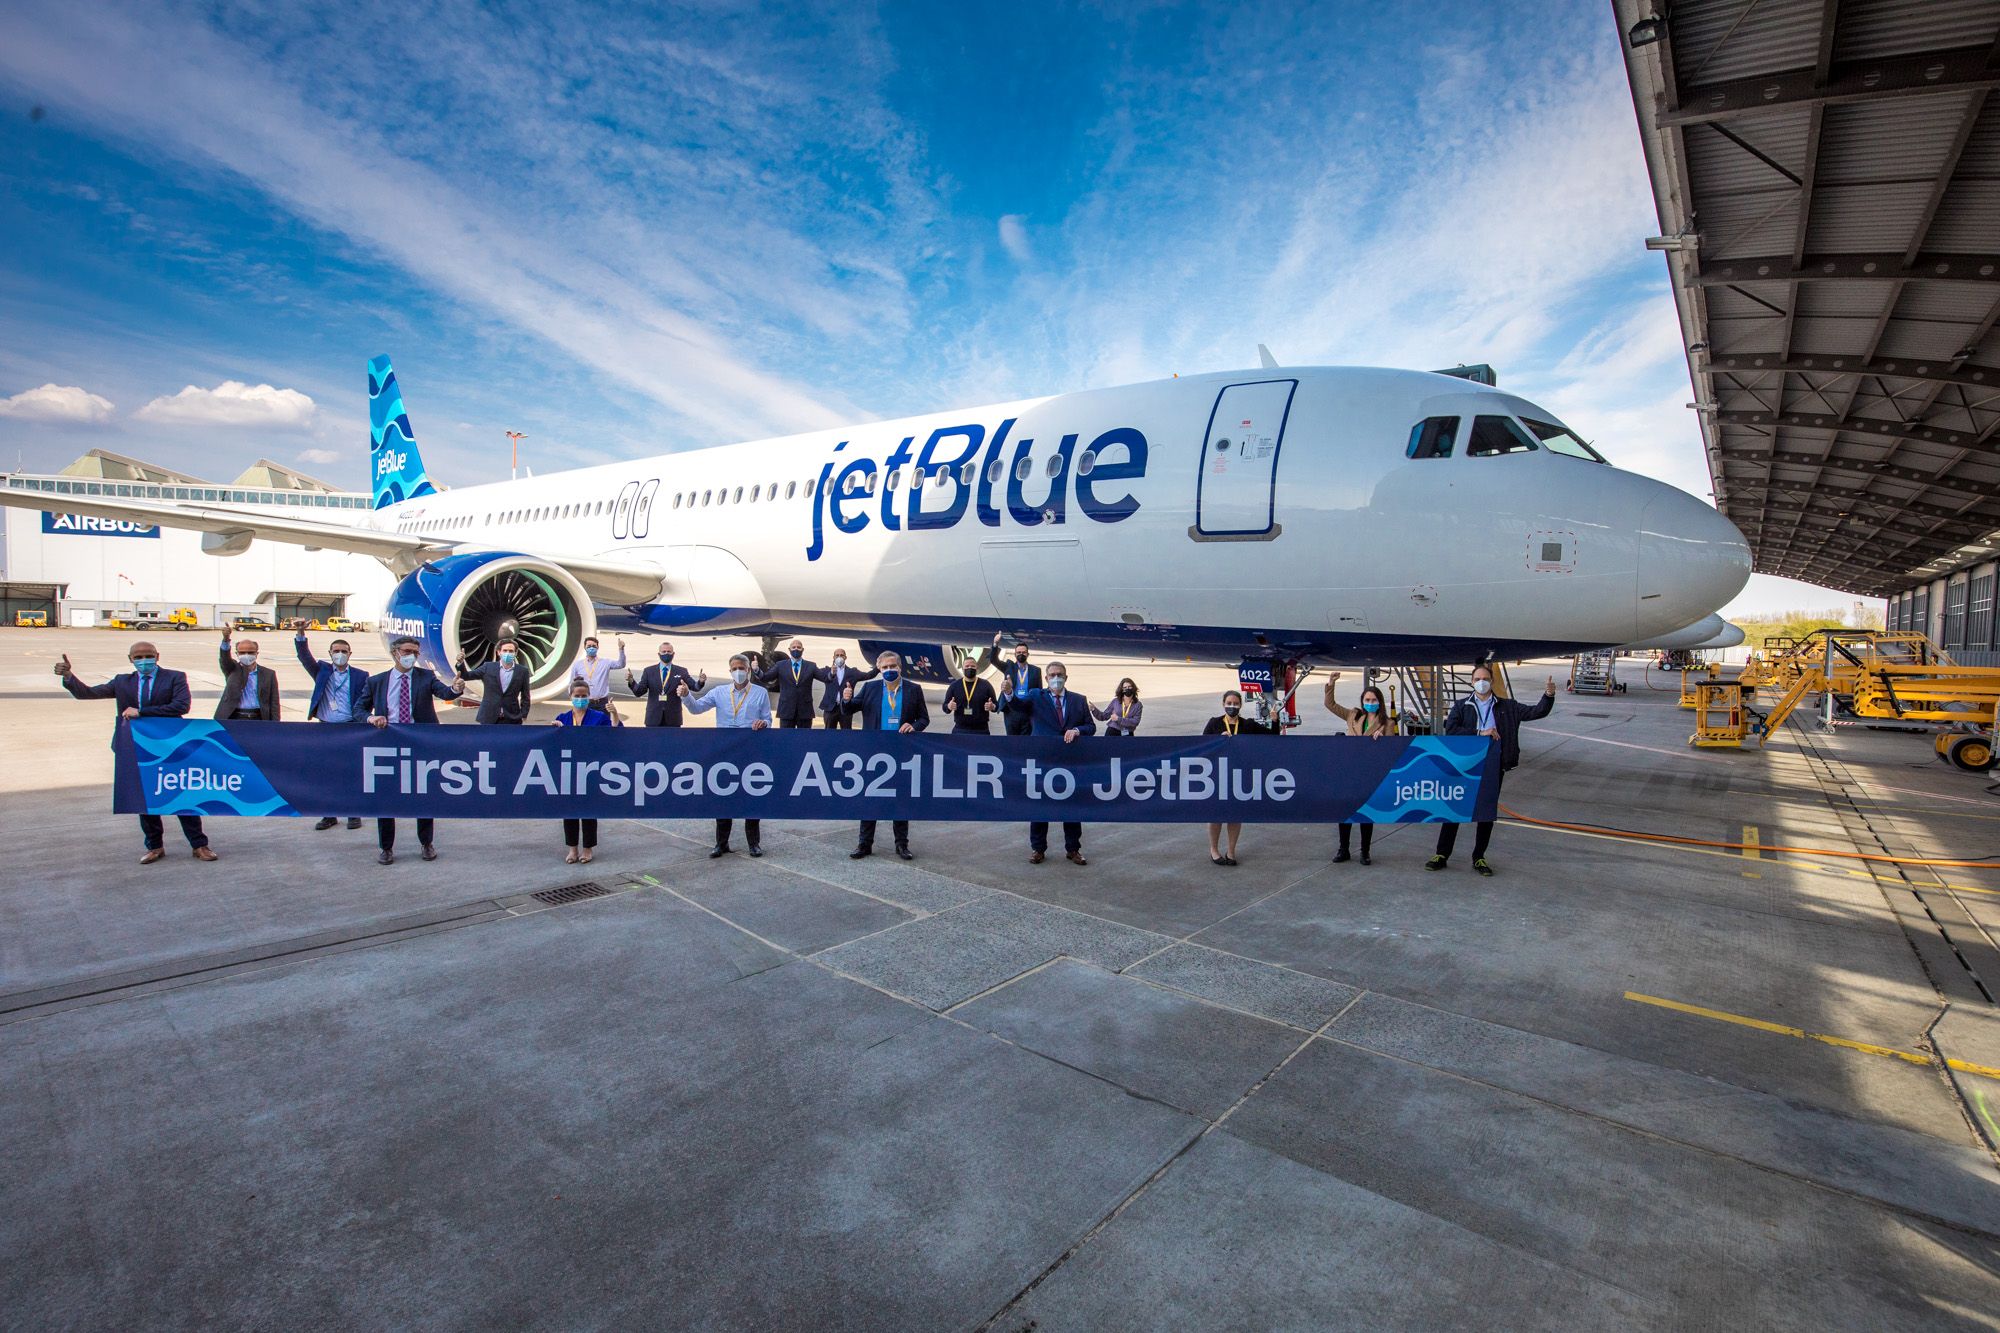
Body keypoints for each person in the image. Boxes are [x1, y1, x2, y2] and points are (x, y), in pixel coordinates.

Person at [58, 643, 217, 864]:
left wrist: (141, 713)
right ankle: (154, 847)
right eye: (139, 657)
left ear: (157, 656)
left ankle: (199, 844)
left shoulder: (175, 677)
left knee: (183, 795)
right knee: (145, 799)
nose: (144, 660)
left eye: (149, 656)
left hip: (170, 747)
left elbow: (181, 706)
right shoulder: (122, 681)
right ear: (131, 659)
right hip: (136, 747)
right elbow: (88, 693)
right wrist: (68, 676)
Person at [1427, 665, 1556, 876]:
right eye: (1477, 678)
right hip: (1466, 765)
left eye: (1485, 678)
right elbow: (1452, 730)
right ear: (1471, 682)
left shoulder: (1508, 706)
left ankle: (1479, 856)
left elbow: (1536, 711)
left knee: (1486, 812)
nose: (1481, 682)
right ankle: (1442, 853)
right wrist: (1480, 732)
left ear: (1492, 680)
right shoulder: (1461, 706)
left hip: (1492, 766)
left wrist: (1548, 695)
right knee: (1454, 808)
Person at [364, 637, 464, 865]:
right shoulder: (377, 682)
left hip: (420, 746)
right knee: (387, 798)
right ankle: (386, 847)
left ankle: (426, 843)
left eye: (415, 653)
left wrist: (456, 689)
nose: (412, 656)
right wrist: (372, 717)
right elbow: (360, 708)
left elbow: (445, 693)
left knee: (423, 796)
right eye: (408, 651)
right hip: (389, 746)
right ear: (395, 652)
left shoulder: (425, 677)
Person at [1001, 660, 1095, 864]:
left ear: (1066, 677)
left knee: (1071, 807)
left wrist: (1077, 730)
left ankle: (1073, 849)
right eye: (1052, 675)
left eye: (1060, 674)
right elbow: (1018, 706)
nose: (1056, 678)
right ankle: (1038, 849)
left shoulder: (1079, 700)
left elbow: (1091, 726)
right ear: (1046, 678)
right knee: (1040, 806)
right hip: (1043, 761)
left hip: (1069, 762)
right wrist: (1009, 693)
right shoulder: (1036, 696)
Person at [682, 654, 773, 857]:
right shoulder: (720, 692)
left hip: (749, 751)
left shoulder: (760, 693)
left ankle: (754, 844)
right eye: (734, 668)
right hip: (725, 752)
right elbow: (696, 708)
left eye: (742, 668)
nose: (738, 671)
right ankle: (721, 843)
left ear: (749, 670)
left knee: (751, 796)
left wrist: (763, 723)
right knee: (723, 796)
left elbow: (768, 719)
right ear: (729, 671)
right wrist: (687, 695)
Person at [841, 650, 928, 859]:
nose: (889, 670)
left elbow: (924, 718)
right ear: (879, 669)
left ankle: (901, 844)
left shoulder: (914, 689)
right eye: (885, 668)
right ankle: (864, 844)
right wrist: (846, 699)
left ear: (900, 667)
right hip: (874, 752)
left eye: (893, 667)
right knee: (870, 799)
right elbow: (848, 710)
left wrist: (913, 726)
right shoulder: (870, 688)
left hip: (901, 752)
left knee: (900, 800)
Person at [296, 630, 370, 830]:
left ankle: (353, 814)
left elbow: (366, 701)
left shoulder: (361, 676)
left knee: (352, 772)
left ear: (350, 653)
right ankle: (329, 814)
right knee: (327, 773)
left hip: (350, 728)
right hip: (326, 729)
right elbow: (304, 657)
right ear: (330, 653)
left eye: (343, 651)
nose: (340, 654)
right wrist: (300, 633)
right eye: (336, 651)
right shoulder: (322, 671)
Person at [1323, 671, 1396, 864]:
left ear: (1379, 701)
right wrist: (1331, 684)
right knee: (1344, 810)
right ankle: (1343, 849)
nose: (1369, 702)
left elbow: (1392, 749)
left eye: (1373, 699)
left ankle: (1365, 851)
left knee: (1366, 812)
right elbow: (1330, 705)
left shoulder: (1387, 723)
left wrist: (1383, 740)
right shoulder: (1353, 715)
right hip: (1349, 769)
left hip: (1368, 772)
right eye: (1366, 699)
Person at [1202, 690, 1275, 866]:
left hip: (1239, 774)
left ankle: (1231, 851)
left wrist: (1274, 721)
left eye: (1235, 704)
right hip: (1217, 775)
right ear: (1223, 704)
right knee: (1216, 814)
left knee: (1235, 814)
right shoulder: (1214, 723)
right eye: (1229, 703)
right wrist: (1217, 740)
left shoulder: (1247, 725)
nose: (1232, 706)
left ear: (1240, 705)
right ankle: (1214, 849)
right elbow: (1202, 745)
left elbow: (1271, 737)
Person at [553, 680, 610, 862]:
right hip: (569, 770)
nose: (580, 699)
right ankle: (572, 849)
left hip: (590, 769)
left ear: (589, 697)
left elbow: (614, 735)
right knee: (569, 811)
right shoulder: (563, 718)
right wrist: (553, 731)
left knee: (588, 810)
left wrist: (615, 715)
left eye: (583, 696)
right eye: (577, 696)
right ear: (570, 697)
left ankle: (587, 849)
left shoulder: (599, 717)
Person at [626, 641, 704, 727]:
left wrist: (701, 681)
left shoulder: (681, 671)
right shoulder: (649, 671)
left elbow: (695, 687)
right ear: (659, 654)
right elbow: (639, 692)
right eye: (664, 652)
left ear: (673, 654)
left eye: (669, 652)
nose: (666, 653)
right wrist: (631, 681)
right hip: (653, 718)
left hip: (673, 719)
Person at [457, 638, 532, 725]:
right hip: (488, 717)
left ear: (515, 653)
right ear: (499, 652)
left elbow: (525, 695)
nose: (508, 653)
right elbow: (466, 676)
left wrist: (523, 714)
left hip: (512, 717)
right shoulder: (488, 667)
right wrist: (460, 663)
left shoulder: (523, 671)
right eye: (505, 650)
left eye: (511, 651)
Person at [216, 625, 281, 721]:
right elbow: (224, 658)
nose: (246, 655)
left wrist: (276, 724)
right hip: (235, 716)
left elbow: (274, 702)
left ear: (256, 654)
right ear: (237, 654)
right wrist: (226, 639)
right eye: (242, 652)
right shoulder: (232, 669)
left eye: (250, 652)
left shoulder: (269, 674)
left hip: (259, 717)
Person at [756, 638, 822, 729]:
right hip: (786, 710)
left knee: (804, 739)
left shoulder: (811, 666)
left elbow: (825, 677)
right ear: (789, 650)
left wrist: (832, 673)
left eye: (798, 647)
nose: (796, 649)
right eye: (793, 647)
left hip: (805, 711)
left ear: (803, 650)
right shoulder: (780, 665)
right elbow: (766, 678)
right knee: (785, 739)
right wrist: (757, 670)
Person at [815, 648, 875, 729]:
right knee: (829, 733)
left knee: (847, 732)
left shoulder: (852, 672)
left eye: (842, 655)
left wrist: (878, 667)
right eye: (837, 655)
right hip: (830, 708)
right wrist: (830, 673)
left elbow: (868, 675)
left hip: (845, 708)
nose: (839, 657)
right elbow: (814, 672)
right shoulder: (827, 671)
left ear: (845, 657)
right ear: (834, 657)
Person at [569, 635, 626, 720]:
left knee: (603, 727)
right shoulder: (578, 665)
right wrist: (574, 700)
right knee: (586, 727)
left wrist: (621, 649)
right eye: (589, 646)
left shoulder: (605, 663)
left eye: (594, 646)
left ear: (598, 647)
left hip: (602, 702)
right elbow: (571, 684)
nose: (591, 648)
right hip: (586, 702)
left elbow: (620, 664)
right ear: (584, 647)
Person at [941, 656, 999, 733]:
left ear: (977, 668)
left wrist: (993, 707)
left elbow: (996, 705)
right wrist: (949, 706)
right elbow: (945, 707)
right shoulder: (954, 686)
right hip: (960, 729)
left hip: (981, 730)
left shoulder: (986, 685)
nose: (970, 668)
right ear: (962, 668)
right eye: (967, 666)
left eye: (972, 666)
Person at [998, 639, 1042, 736]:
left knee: (1026, 740)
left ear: (1028, 654)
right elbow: (993, 660)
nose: (1021, 654)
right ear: (1014, 654)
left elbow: (1039, 690)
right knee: (1012, 740)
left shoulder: (1036, 670)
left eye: (1023, 652)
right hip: (1011, 709)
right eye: (1018, 652)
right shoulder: (1008, 667)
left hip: (1027, 709)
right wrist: (995, 644)